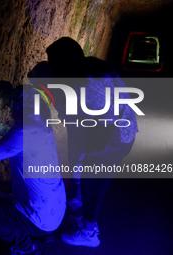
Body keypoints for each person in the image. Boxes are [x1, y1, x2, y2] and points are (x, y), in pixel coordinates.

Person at [28, 37, 138, 247]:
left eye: (52, 60)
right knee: (93, 180)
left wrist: (80, 155)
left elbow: (97, 129)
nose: (50, 63)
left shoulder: (82, 83)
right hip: (125, 133)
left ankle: (89, 233)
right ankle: (84, 213)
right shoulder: (93, 67)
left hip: (112, 139)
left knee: (93, 184)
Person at [0, 85, 66, 254]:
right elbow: (13, 136)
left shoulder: (24, 131)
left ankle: (24, 245)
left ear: (18, 106)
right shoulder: (43, 127)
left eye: (11, 104)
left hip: (39, 218)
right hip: (56, 212)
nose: (9, 109)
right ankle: (40, 234)